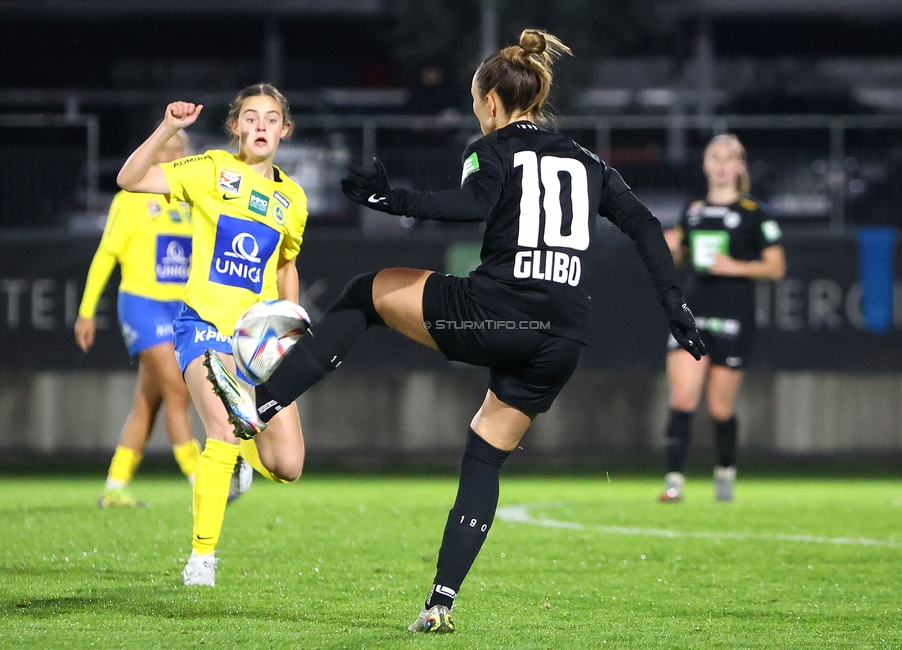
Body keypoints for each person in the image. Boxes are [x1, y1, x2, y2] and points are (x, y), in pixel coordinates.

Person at [204, 30, 704, 631]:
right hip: (565, 335)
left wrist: (391, 200)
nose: (474, 109)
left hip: (496, 312)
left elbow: (474, 205)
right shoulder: (587, 159)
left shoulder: (489, 148)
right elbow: (647, 223)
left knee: (366, 292)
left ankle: (259, 406)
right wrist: (673, 304)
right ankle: (440, 601)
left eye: (474, 100)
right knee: (485, 456)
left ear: (491, 102)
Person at [116, 83, 309, 587]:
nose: (261, 126)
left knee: (288, 464)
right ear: (236, 127)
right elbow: (129, 178)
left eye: (271, 118)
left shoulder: (293, 198)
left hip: (258, 344)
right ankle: (201, 559)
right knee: (222, 430)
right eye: (251, 117)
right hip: (203, 328)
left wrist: (290, 319)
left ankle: (239, 470)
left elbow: (287, 263)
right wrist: (168, 129)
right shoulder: (208, 170)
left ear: (285, 130)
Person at [657, 134, 786, 503]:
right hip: (694, 313)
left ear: (740, 166)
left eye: (730, 157)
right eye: (715, 156)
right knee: (682, 398)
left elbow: (776, 267)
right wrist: (673, 249)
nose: (722, 163)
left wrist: (736, 266)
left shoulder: (754, 213)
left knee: (719, 408)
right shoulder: (693, 210)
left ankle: (725, 470)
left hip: (734, 315)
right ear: (705, 165)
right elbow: (684, 259)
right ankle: (674, 481)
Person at [76, 131, 202, 507]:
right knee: (179, 391)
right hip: (142, 305)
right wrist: (86, 311)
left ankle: (115, 486)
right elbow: (105, 255)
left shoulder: (194, 200)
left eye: (179, 149)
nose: (173, 154)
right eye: (166, 147)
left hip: (180, 309)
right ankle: (202, 479)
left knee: (149, 402)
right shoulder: (130, 199)